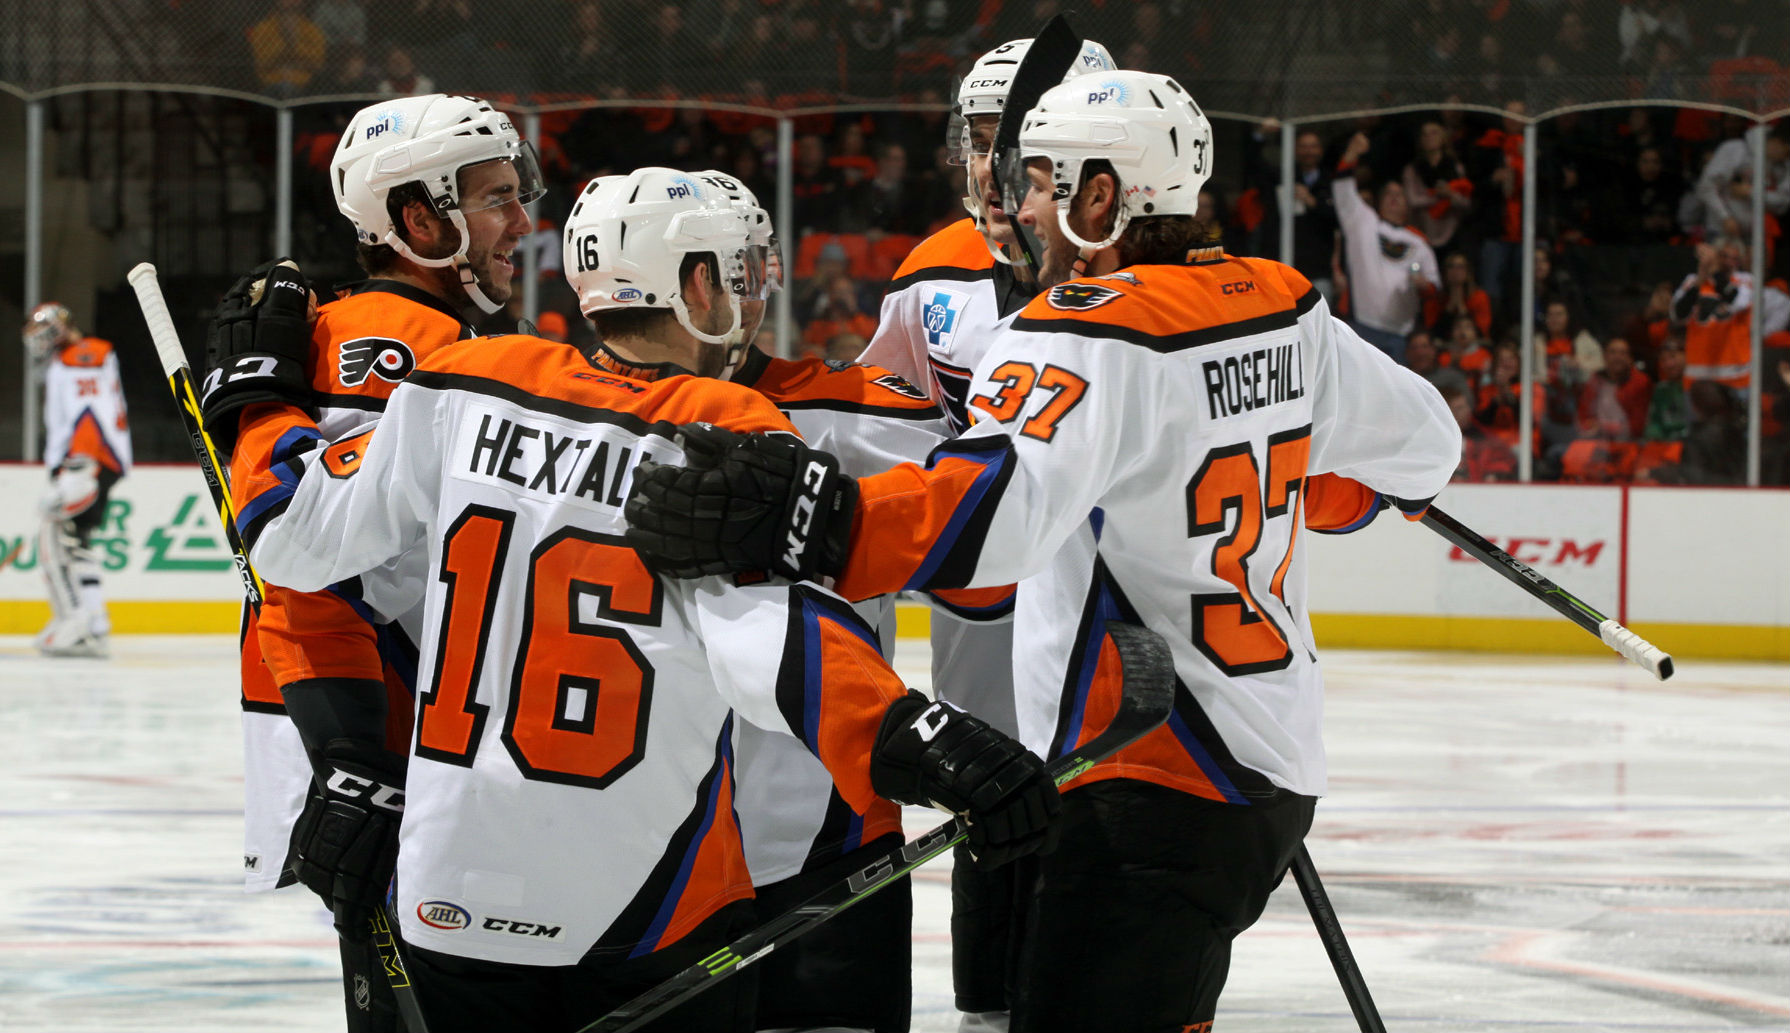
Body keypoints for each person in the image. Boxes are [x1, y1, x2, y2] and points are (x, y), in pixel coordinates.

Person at [622, 69, 1460, 1033]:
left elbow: (990, 523)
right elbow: (1427, 447)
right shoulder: (1283, 302)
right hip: (1271, 770)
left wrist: (803, 514)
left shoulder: (1075, 330)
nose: (1016, 204)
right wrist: (1319, 479)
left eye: (1041, 180)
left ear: (1103, 195)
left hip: (1148, 773)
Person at [206, 170, 1060, 1033]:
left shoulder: (465, 384)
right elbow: (768, 640)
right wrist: (917, 737)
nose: (749, 290)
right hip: (641, 904)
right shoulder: (723, 424)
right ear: (694, 283)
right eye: (733, 271)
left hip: (445, 891)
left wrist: (260, 402)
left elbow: (290, 532)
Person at [201, 93, 544, 1033]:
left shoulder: (452, 339)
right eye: (496, 197)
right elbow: (307, 561)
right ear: (419, 220)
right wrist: (356, 753)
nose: (523, 221)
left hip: (429, 748)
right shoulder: (388, 343)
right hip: (407, 749)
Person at [854, 37, 1116, 1033]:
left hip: (1111, 612)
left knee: (1106, 823)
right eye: (978, 137)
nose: (993, 162)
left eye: (1016, 139)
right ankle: (988, 1008)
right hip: (984, 620)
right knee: (997, 808)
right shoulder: (930, 276)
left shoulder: (1139, 278)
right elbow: (887, 421)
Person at [22, 302, 132, 658]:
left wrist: (80, 462)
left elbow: (91, 410)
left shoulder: (85, 354)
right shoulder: (64, 360)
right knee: (78, 541)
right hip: (91, 461)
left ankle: (75, 621)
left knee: (52, 533)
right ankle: (95, 625)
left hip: (88, 461)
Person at [1334, 131, 1440, 363]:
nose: (1394, 197)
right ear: (1379, 201)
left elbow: (1434, 286)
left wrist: (1424, 285)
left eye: (1399, 194)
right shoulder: (1362, 222)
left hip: (1401, 334)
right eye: (1388, 193)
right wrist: (1352, 153)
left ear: (1408, 203)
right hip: (1362, 328)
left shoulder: (1419, 243)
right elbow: (1342, 188)